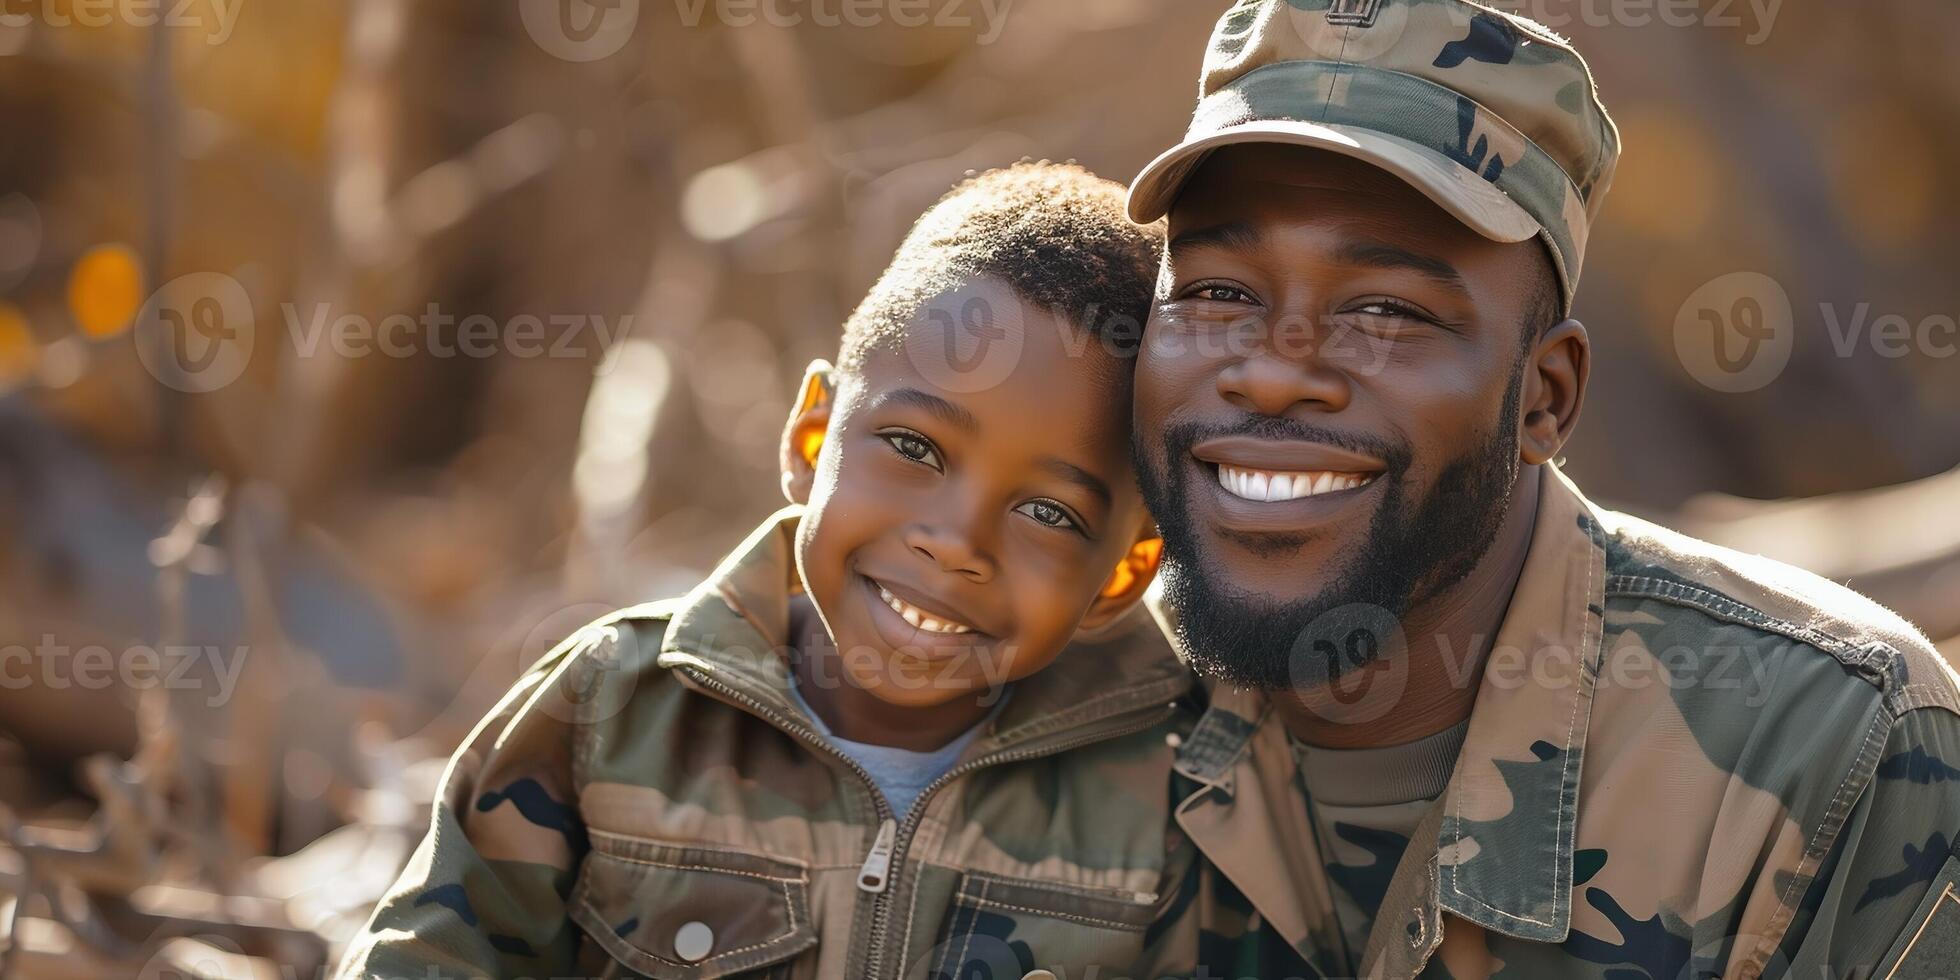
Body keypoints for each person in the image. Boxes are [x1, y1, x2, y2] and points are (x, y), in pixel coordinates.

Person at [1128, 2, 1960, 977]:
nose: (1271, 372)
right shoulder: (1059, 708)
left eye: (1386, 309)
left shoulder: (1832, 751)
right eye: (1216, 291)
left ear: (1545, 396)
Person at [336, 163, 1198, 979]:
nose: (955, 542)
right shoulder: (612, 710)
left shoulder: (1172, 795)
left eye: (1048, 513)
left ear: (1121, 576)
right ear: (811, 437)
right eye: (912, 447)